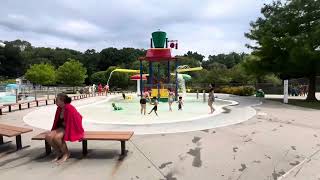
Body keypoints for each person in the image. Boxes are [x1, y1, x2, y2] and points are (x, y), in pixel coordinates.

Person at [45, 93, 84, 163]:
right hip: (61, 128)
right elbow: (57, 121)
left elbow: (78, 118)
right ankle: (59, 152)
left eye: (57, 100)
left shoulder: (69, 108)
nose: (56, 101)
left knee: (57, 138)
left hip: (70, 128)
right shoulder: (59, 108)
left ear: (62, 101)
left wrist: (66, 124)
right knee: (48, 136)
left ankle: (66, 153)